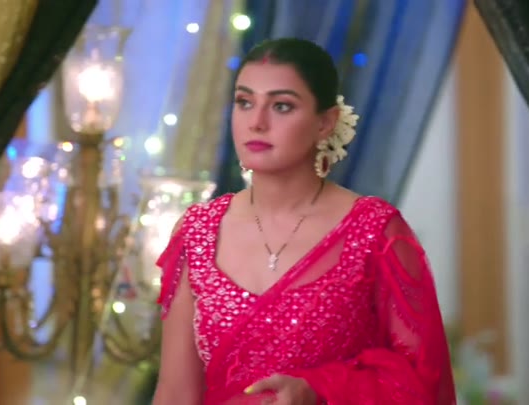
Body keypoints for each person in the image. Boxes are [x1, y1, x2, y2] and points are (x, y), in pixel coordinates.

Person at [151, 37, 456, 405]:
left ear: (325, 122)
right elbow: (175, 392)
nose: (257, 123)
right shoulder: (197, 231)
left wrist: (319, 389)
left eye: (281, 106)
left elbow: (423, 382)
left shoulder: (374, 231)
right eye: (245, 102)